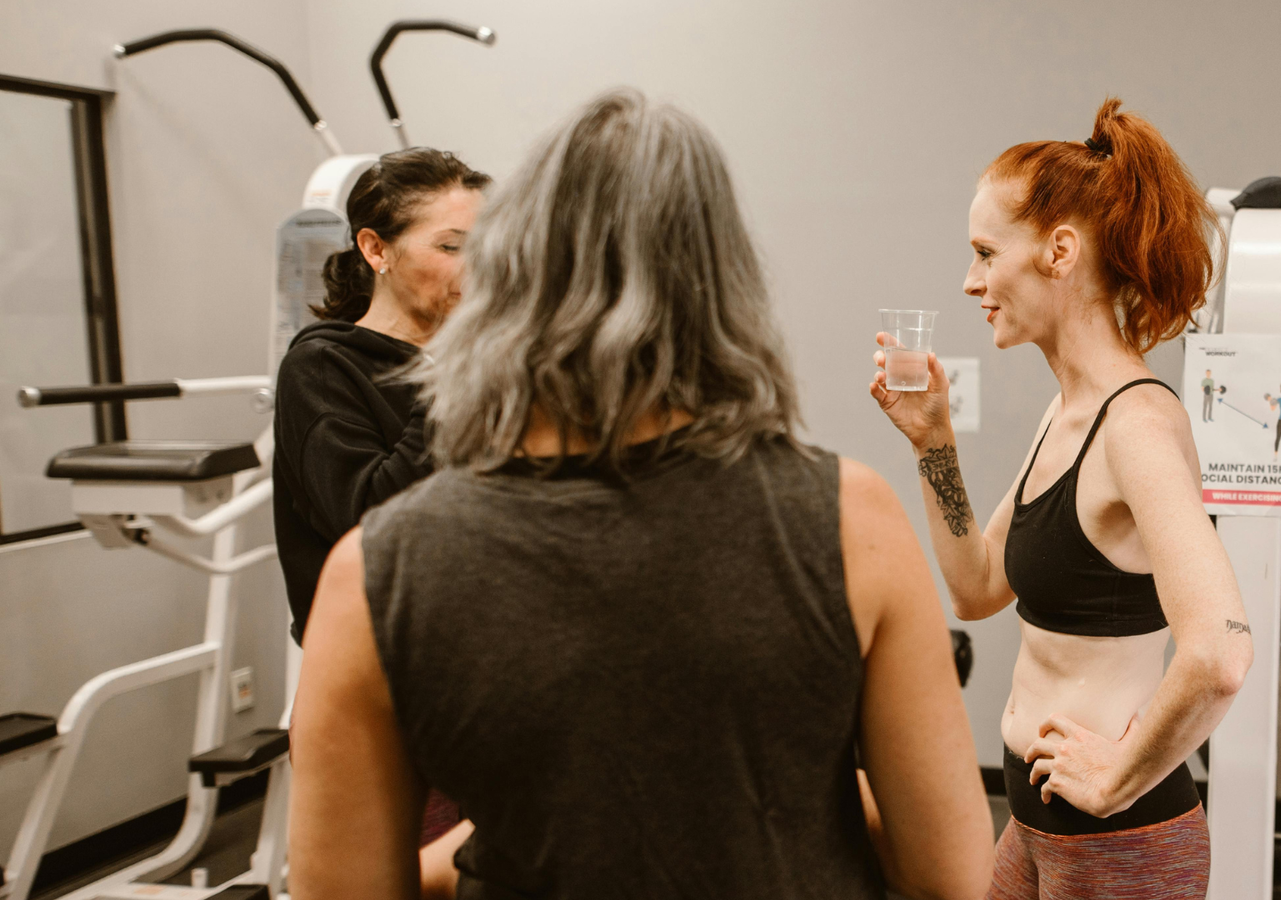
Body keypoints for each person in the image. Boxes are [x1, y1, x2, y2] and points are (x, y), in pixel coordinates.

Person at [288, 89, 995, 900]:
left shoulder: (375, 571)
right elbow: (953, 878)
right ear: (726, 286)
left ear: (508, 279)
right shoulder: (852, 518)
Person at [870, 98, 1254, 899]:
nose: (970, 280)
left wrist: (1117, 778)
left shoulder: (1136, 426)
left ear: (1059, 251)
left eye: (984, 252)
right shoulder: (1068, 414)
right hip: (1039, 822)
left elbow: (1219, 653)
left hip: (1122, 840)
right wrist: (932, 443)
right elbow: (977, 588)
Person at [272, 146, 490, 892]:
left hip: (492, 678)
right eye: (451, 247)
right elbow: (369, 520)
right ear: (376, 249)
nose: (475, 268)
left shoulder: (496, 368)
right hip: (389, 695)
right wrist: (458, 373)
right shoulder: (324, 367)